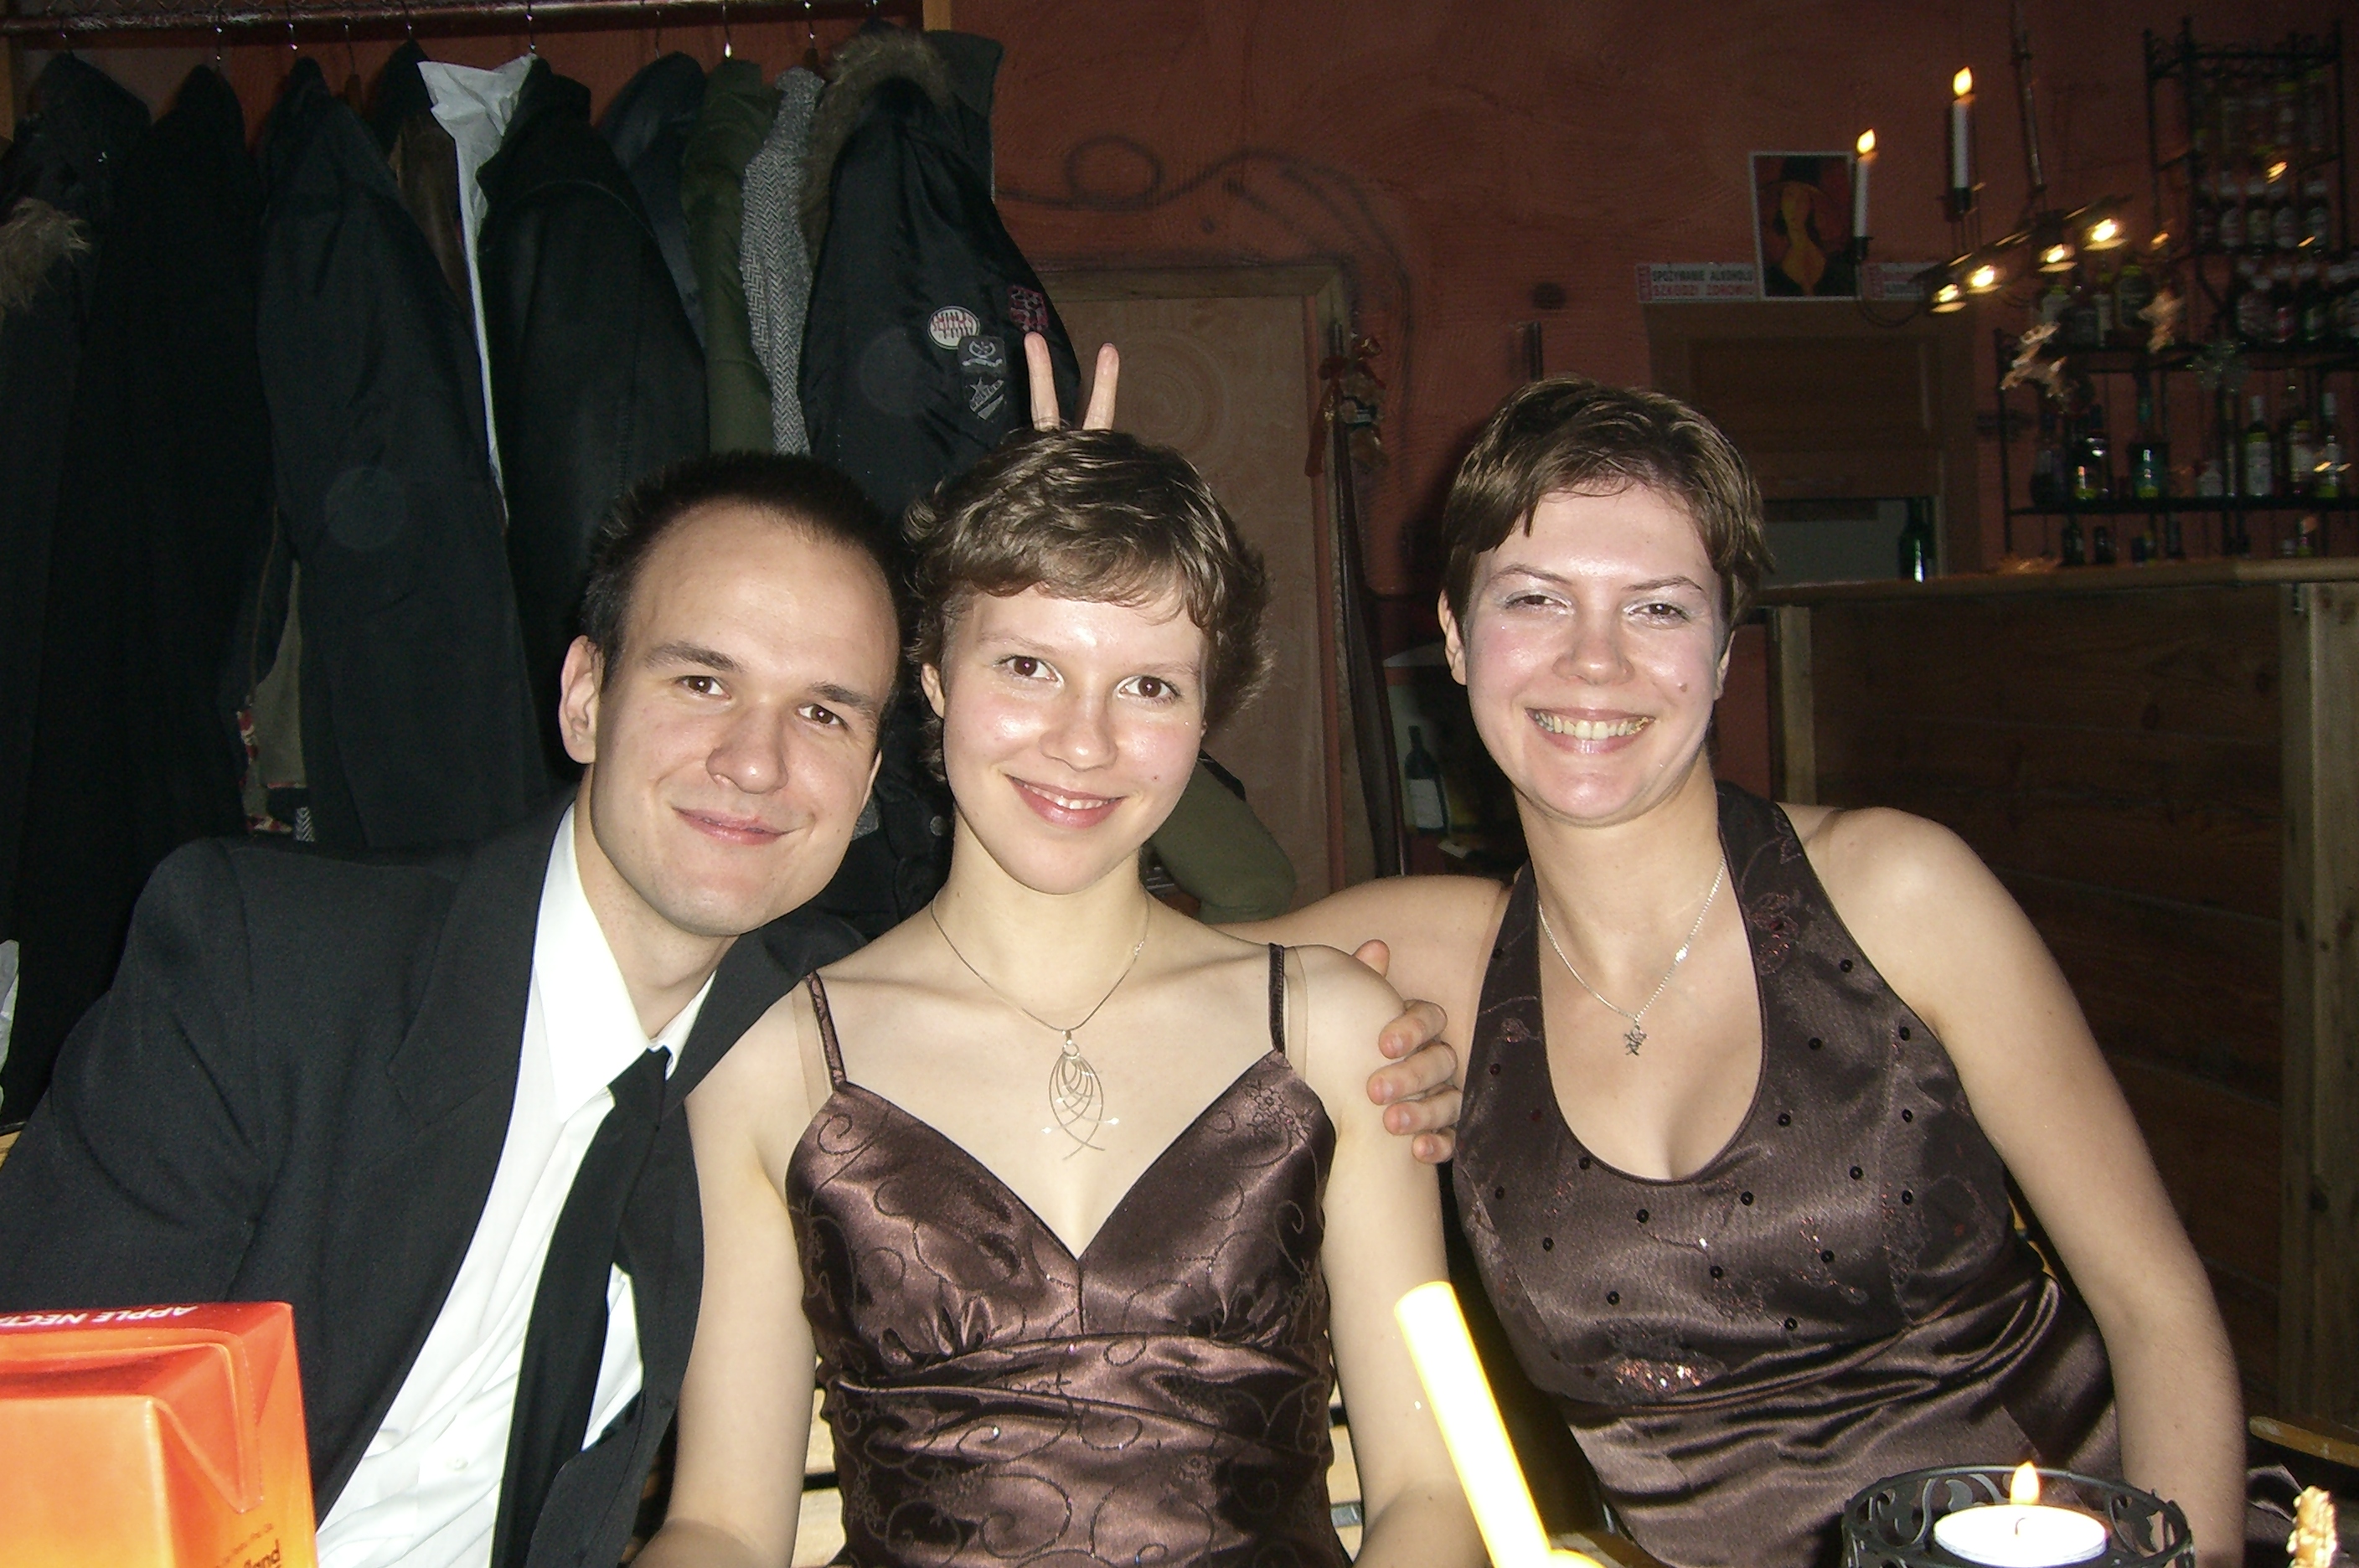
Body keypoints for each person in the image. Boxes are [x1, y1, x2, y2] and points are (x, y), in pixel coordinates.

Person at [0, 435, 1460, 1565]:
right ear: (584, 695)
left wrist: (1330, 1012)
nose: (756, 764)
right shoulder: (293, 972)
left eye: (820, 710)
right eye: (702, 682)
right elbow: (40, 1428)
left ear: (871, 754)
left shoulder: (772, 1028)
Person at [1249, 377, 2245, 1568]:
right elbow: (1103, 973)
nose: (1595, 661)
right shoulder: (1431, 959)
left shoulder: (1896, 894)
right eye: (1536, 599)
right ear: (1457, 638)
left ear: (1724, 650)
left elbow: (2156, 1308)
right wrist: (1074, 562)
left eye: (1659, 609)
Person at [640, 428, 1484, 1568]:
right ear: (935, 678)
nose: (1084, 743)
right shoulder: (764, 1064)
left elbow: (1431, 1490)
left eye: (1148, 686)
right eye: (1028, 668)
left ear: (1207, 717)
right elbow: (722, 1525)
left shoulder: (1334, 1031)